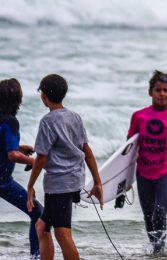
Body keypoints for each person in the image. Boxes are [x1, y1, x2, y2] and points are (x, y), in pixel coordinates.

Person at [26, 74, 103, 260]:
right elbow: (87, 151)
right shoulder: (75, 117)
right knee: (42, 227)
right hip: (74, 180)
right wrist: (97, 182)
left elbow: (42, 158)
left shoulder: (48, 122)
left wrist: (30, 186)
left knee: (62, 234)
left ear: (43, 96)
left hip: (59, 185)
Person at [127, 70, 167, 253]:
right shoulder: (139, 116)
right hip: (143, 172)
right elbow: (128, 150)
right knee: (147, 215)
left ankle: (159, 250)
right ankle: (156, 249)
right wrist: (123, 184)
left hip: (164, 172)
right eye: (158, 90)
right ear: (150, 92)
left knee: (160, 212)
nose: (162, 94)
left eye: (165, 90)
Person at [0, 78, 43, 258]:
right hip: (3, 182)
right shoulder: (10, 121)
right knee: (38, 213)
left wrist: (20, 148)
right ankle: (35, 256)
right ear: (17, 100)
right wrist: (35, 162)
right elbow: (12, 156)